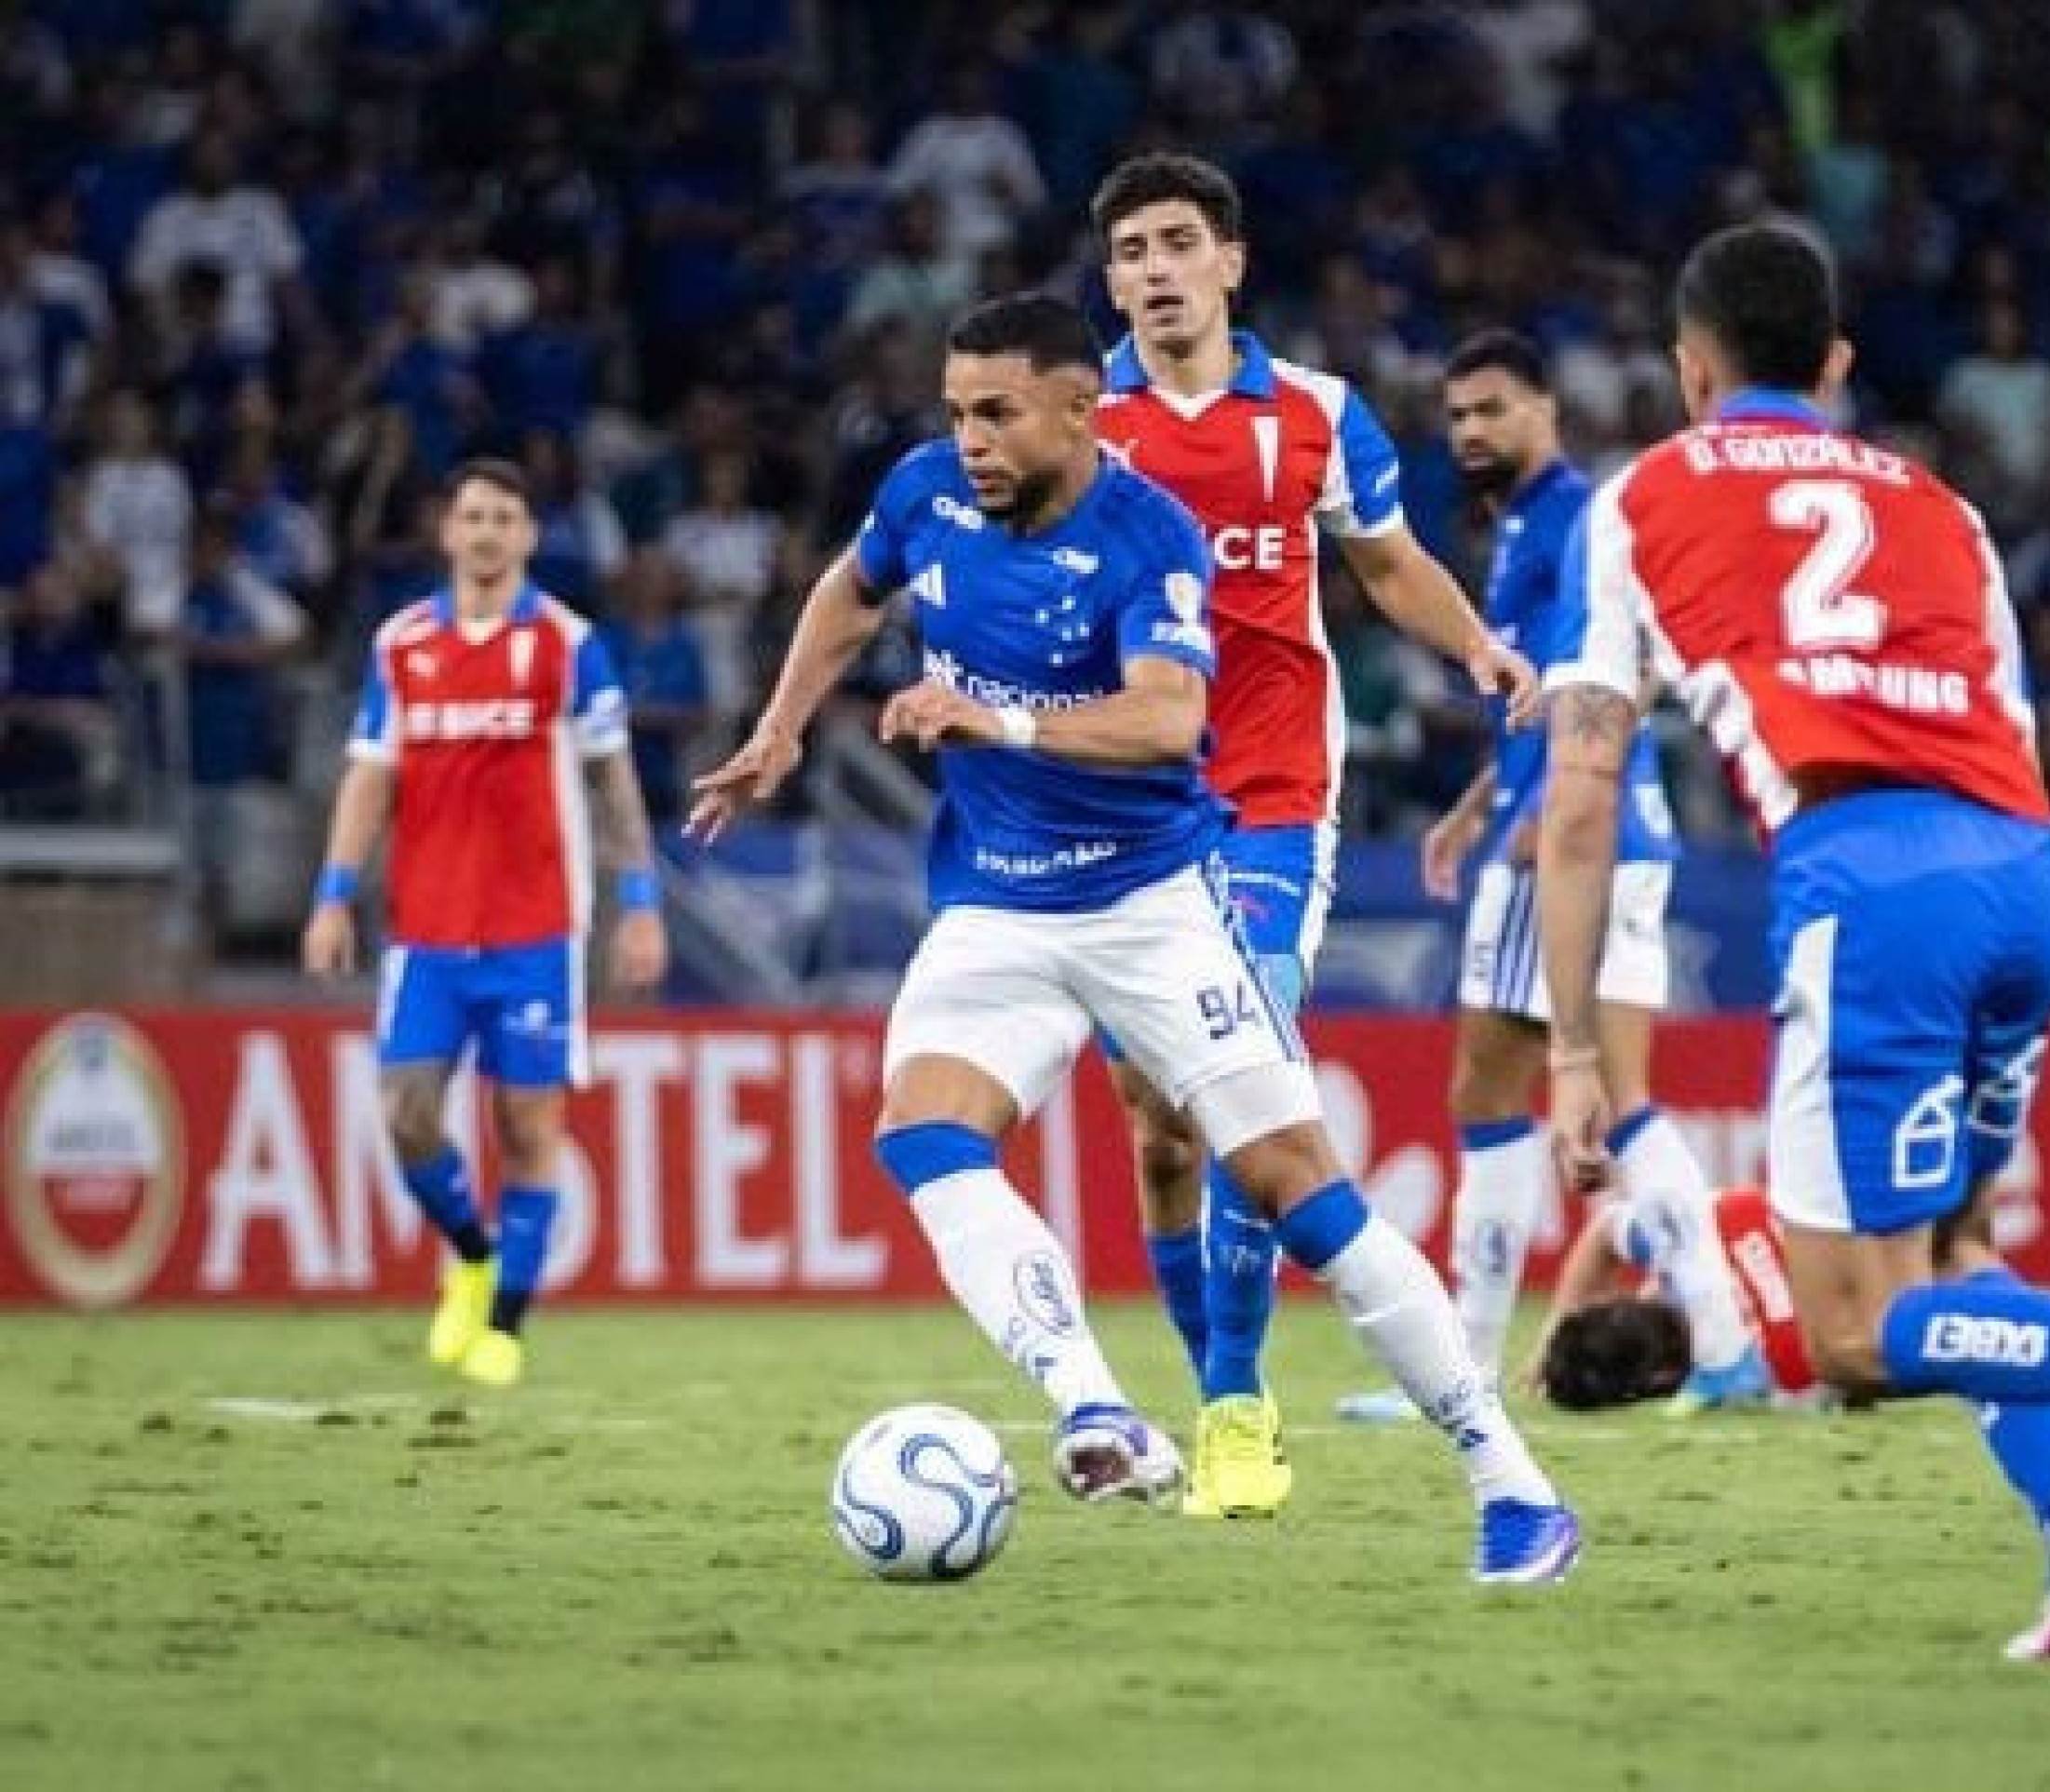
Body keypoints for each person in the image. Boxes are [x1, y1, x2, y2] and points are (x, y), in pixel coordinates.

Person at [1533, 222, 2050, 1661]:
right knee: (1964, 1254)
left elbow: (1584, 792)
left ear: (1687, 368)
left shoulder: (1640, 500)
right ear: (1838, 364)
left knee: (1855, 1338)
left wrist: (1570, 1045)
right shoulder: (1945, 509)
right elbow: (2014, 730)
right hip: (2026, 874)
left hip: (1867, 887)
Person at [687, 295, 1579, 1583]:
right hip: (996, 909)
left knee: (1302, 1196)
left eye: (996, 414)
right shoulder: (926, 493)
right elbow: (848, 585)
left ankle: (1510, 1481)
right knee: (923, 1135)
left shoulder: (1148, 536)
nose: (970, 440)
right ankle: (1095, 1406)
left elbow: (1166, 720)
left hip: (1155, 910)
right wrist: (781, 725)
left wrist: (997, 725)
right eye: (955, 413)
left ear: (1076, 412)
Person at [1086, 153, 1533, 1518]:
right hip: (1119, 810)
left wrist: (1479, 649)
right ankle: (1219, 1378)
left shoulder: (1316, 415)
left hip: (1274, 797)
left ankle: (1231, 1405)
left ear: (1230, 261)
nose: (1153, 271)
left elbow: (1388, 561)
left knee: (1240, 1087)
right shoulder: (1075, 418)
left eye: (1175, 244)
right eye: (1127, 252)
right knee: (1159, 1126)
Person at [1336, 328, 1756, 1426]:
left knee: (1488, 1090)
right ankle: (1720, 1340)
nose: (1471, 430)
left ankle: (1463, 1366)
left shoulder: (1572, 516)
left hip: (1572, 834)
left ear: (1546, 411)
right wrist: (1481, 799)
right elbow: (1565, 682)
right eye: (1458, 414)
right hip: (1609, 824)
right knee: (1619, 1098)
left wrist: (1544, 809)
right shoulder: (1537, 522)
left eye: (1493, 410)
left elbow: (1635, 665)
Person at [303, 458, 670, 1389]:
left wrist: (639, 905)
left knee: (526, 1121)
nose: (486, 532)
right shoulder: (402, 644)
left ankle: (505, 1320)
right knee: (406, 1114)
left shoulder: (565, 641)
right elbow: (369, 776)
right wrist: (334, 892)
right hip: (424, 930)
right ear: (447, 531)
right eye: (472, 515)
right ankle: (471, 1250)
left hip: (537, 928)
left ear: (528, 536)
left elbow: (613, 782)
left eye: (504, 516)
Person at [1532, 1188, 1823, 1414]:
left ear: (1660, 1379)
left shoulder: (1787, 1370)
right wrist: (1552, 1328)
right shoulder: (1683, 1239)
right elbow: (1603, 1231)